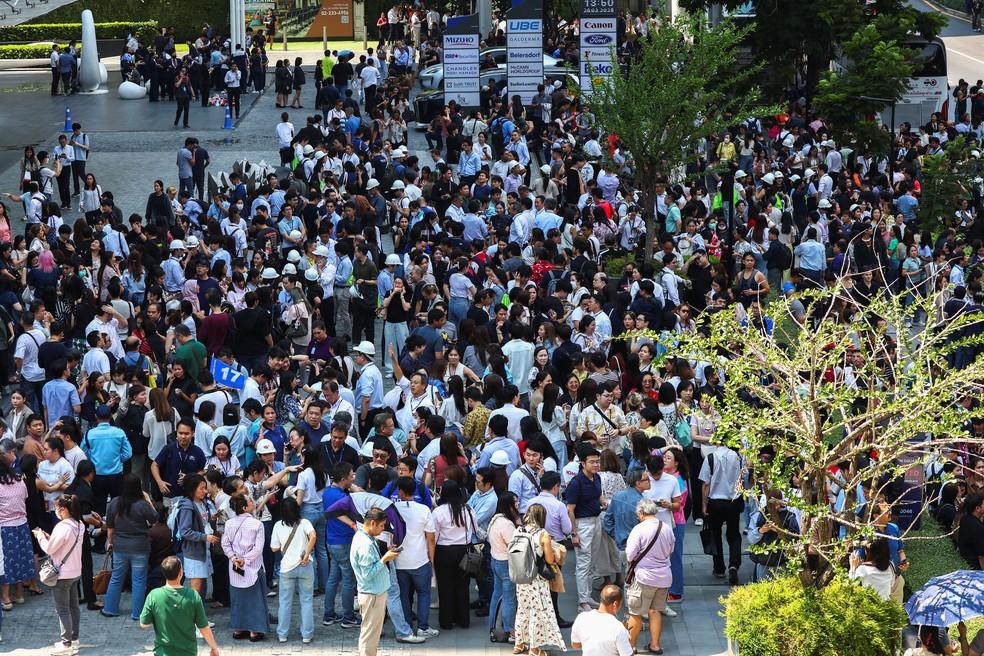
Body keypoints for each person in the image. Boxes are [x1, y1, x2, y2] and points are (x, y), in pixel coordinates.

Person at [33, 494, 85, 656]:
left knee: (62, 609)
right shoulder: (80, 524)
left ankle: (66, 642)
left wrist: (40, 536)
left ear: (63, 509)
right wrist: (50, 538)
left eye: (57, 508)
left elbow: (49, 549)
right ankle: (74, 638)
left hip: (62, 574)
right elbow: (63, 545)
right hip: (75, 571)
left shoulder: (62, 527)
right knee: (74, 607)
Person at [512, 504, 566, 656]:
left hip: (521, 577)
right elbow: (549, 559)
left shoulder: (518, 530)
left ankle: (519, 643)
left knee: (522, 609)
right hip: (536, 579)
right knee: (538, 611)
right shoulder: (543, 534)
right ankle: (535, 649)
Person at [139, 556, 221, 656]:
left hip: (162, 652)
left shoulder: (154, 595)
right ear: (180, 573)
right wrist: (214, 647)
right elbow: (203, 627)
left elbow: (144, 624)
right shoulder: (193, 596)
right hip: (188, 652)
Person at [102, 473, 157, 620]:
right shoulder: (142, 505)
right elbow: (154, 518)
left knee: (116, 578)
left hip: (120, 547)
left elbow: (110, 527)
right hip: (140, 547)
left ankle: (110, 608)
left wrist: (110, 542)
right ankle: (138, 613)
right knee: (139, 581)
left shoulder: (115, 503)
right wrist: (148, 499)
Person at [624, 498, 676, 655]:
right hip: (664, 577)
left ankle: (631, 647)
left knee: (635, 613)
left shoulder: (638, 529)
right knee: (656, 611)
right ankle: (655, 645)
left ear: (641, 513)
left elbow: (630, 554)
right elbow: (671, 550)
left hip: (644, 578)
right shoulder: (666, 528)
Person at [350, 506, 402, 656]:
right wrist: (385, 559)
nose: (383, 529)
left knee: (371, 634)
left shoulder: (364, 536)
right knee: (369, 635)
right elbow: (368, 573)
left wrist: (386, 552)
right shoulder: (365, 544)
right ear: (372, 523)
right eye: (381, 525)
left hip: (374, 593)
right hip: (372, 595)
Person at [222, 493, 269, 641]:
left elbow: (225, 544)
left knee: (237, 598)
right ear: (244, 507)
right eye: (249, 501)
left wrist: (234, 558)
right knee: (255, 599)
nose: (252, 502)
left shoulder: (229, 523)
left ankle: (238, 628)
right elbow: (258, 548)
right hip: (252, 565)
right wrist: (245, 560)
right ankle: (254, 631)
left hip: (235, 565)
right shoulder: (257, 524)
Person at [430, 479, 477, 630]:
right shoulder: (468, 510)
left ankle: (446, 621)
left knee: (445, 587)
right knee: (462, 587)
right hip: (464, 550)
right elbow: (475, 528)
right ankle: (463, 620)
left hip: (443, 552)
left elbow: (434, 535)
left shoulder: (438, 512)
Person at [271, 495, 317, 643]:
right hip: (305, 565)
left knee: (284, 602)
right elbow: (313, 536)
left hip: (286, 568)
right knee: (307, 600)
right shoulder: (305, 523)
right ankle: (307, 635)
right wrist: (306, 554)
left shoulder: (278, 525)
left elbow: (274, 548)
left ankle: (282, 634)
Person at [699, 443, 744, 584]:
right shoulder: (737, 456)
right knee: (734, 534)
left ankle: (719, 568)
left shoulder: (710, 458)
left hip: (715, 501)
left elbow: (706, 484)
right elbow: (742, 477)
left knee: (715, 533)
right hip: (733, 500)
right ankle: (734, 564)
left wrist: (704, 505)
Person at [566, 445, 603, 613]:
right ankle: (582, 601)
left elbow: (599, 496)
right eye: (592, 462)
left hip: (596, 521)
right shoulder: (576, 483)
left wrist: (606, 502)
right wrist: (574, 533)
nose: (596, 465)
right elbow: (570, 510)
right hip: (582, 524)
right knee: (583, 563)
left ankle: (588, 596)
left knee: (593, 562)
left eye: (597, 461)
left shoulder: (597, 478)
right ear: (583, 463)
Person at [487, 491, 520, 641]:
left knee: (496, 595)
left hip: (496, 560)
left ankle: (493, 627)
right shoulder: (506, 524)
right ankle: (510, 631)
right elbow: (515, 546)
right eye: (515, 502)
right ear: (509, 505)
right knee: (509, 599)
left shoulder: (495, 519)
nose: (518, 505)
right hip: (506, 563)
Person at [570, 584, 634, 656]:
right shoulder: (619, 628)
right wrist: (628, 639)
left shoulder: (581, 618)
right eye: (621, 604)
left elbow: (575, 645)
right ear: (615, 604)